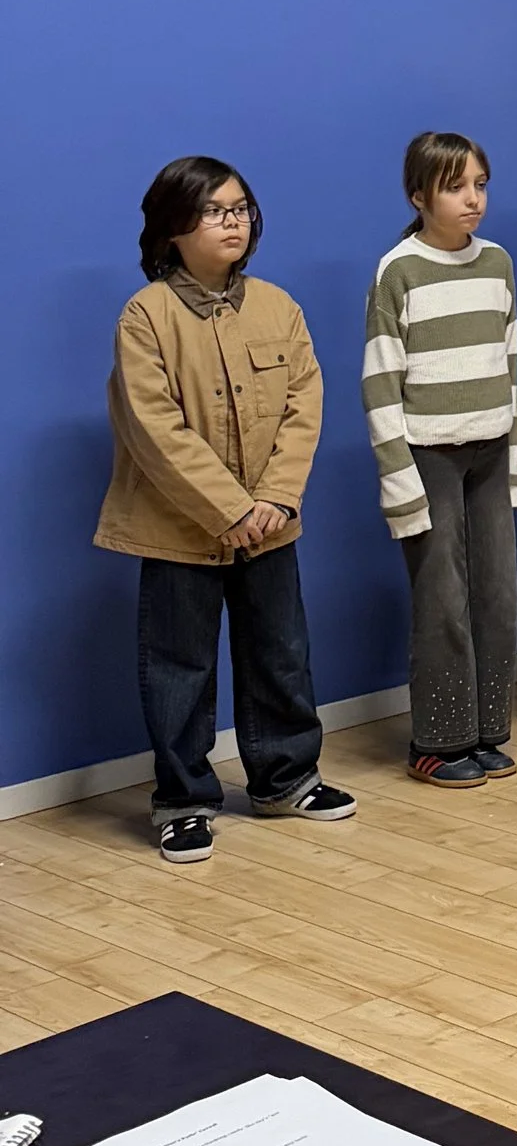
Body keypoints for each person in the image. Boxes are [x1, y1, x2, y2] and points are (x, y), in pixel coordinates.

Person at [96, 158, 356, 864]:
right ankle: (183, 801)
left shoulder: (278, 306)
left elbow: (306, 402)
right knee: (179, 666)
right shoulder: (146, 316)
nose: (233, 220)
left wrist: (273, 499)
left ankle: (286, 777)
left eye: (240, 207)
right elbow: (154, 427)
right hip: (180, 528)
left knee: (281, 652)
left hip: (271, 525)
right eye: (214, 210)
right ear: (173, 226)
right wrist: (228, 508)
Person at [363, 131, 517, 789]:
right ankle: (437, 740)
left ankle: (486, 730)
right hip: (428, 456)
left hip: (489, 452)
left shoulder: (498, 264)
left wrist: (513, 466)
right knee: (443, 599)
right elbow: (380, 382)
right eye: (457, 186)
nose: (474, 199)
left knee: (497, 596)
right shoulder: (397, 269)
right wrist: (400, 488)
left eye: (481, 184)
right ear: (419, 194)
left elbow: (510, 366)